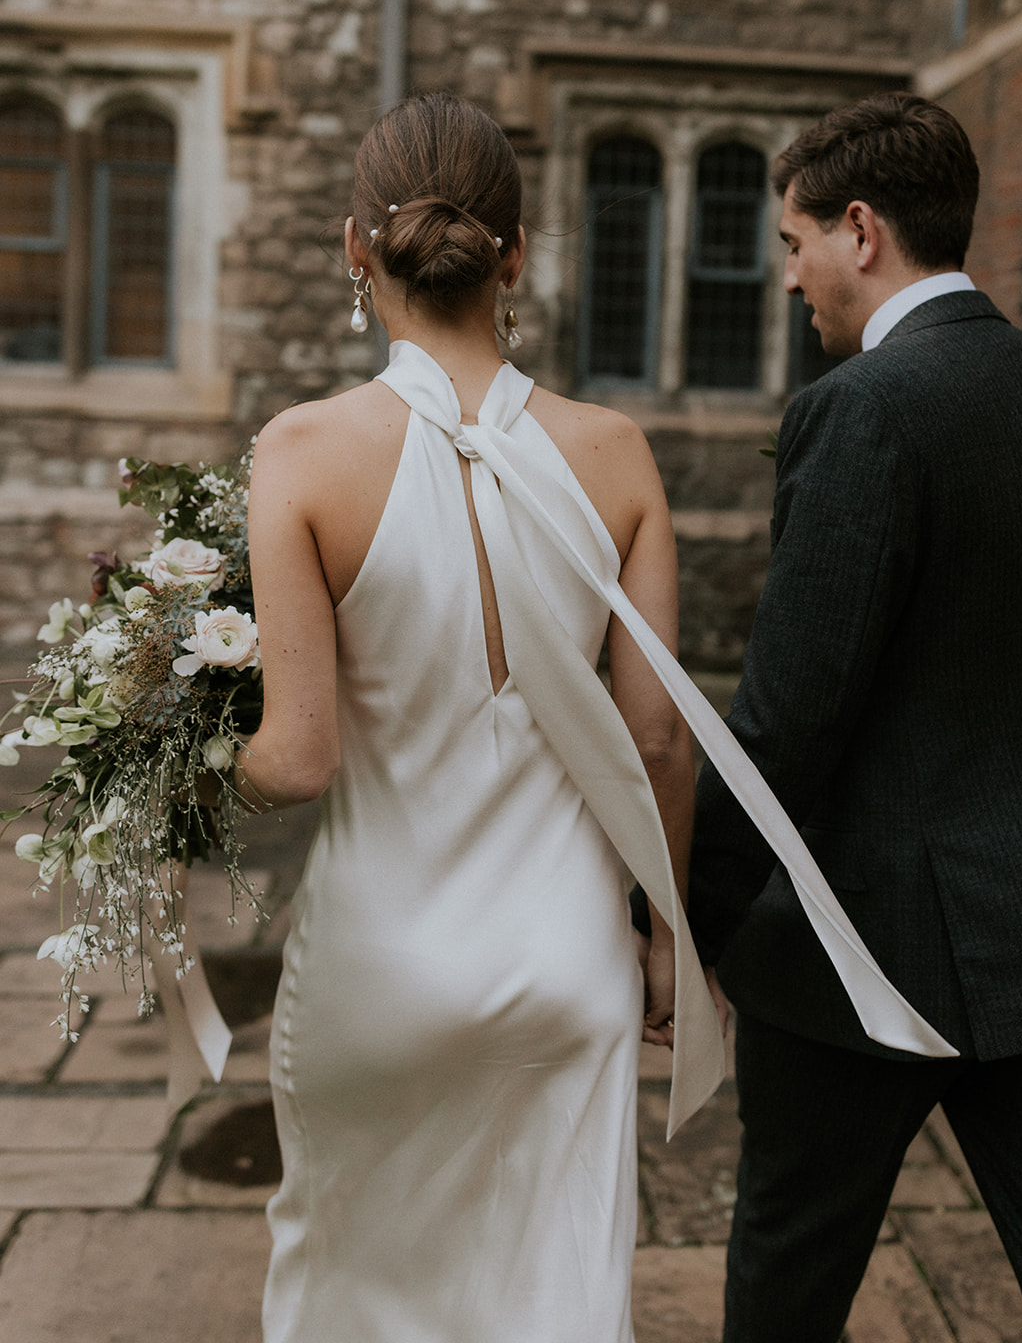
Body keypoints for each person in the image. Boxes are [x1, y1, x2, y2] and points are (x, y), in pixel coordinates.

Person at [231, 91, 722, 1343]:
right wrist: (667, 941)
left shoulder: (299, 451)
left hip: (377, 970)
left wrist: (178, 765)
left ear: (356, 248)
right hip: (565, 967)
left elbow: (295, 757)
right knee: (554, 1302)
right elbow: (656, 739)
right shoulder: (615, 451)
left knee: (349, 1301)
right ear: (515, 251)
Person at [687, 92, 1022, 1341]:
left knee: (787, 1286)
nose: (786, 277)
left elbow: (790, 718)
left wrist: (695, 918)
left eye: (792, 244)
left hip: (853, 955)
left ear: (860, 230)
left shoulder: (861, 410)